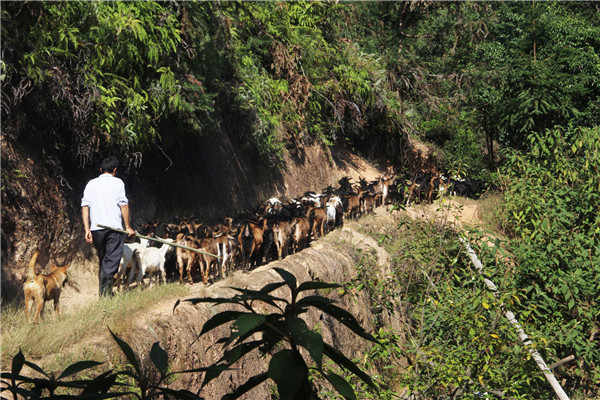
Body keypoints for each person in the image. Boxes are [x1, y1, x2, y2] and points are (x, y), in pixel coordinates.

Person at [81, 156, 135, 297]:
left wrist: (87, 229)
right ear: (115, 170)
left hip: (96, 230)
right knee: (111, 262)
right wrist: (128, 226)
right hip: (113, 229)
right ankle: (105, 296)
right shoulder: (118, 183)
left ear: (101, 169)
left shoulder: (91, 184)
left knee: (105, 260)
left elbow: (85, 206)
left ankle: (106, 293)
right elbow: (123, 204)